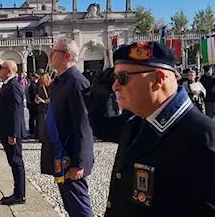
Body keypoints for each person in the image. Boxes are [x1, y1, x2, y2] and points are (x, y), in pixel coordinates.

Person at [90, 41, 215, 217]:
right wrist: (99, 95)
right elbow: (102, 127)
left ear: (158, 80)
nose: (115, 86)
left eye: (123, 78)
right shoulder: (139, 120)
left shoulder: (204, 138)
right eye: (114, 77)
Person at [45, 37, 94, 217]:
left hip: (71, 157)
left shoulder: (76, 82)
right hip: (61, 155)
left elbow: (83, 125)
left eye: (54, 52)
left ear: (67, 56)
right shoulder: (61, 81)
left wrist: (79, 162)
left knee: (80, 207)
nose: (50, 55)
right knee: (70, 206)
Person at [0, 60, 28, 205]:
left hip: (11, 132)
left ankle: (20, 195)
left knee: (16, 162)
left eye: (1, 68)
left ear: (9, 71)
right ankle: (16, 192)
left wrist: (13, 133)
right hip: (6, 130)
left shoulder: (13, 86)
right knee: (13, 162)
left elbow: (16, 112)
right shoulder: (7, 85)